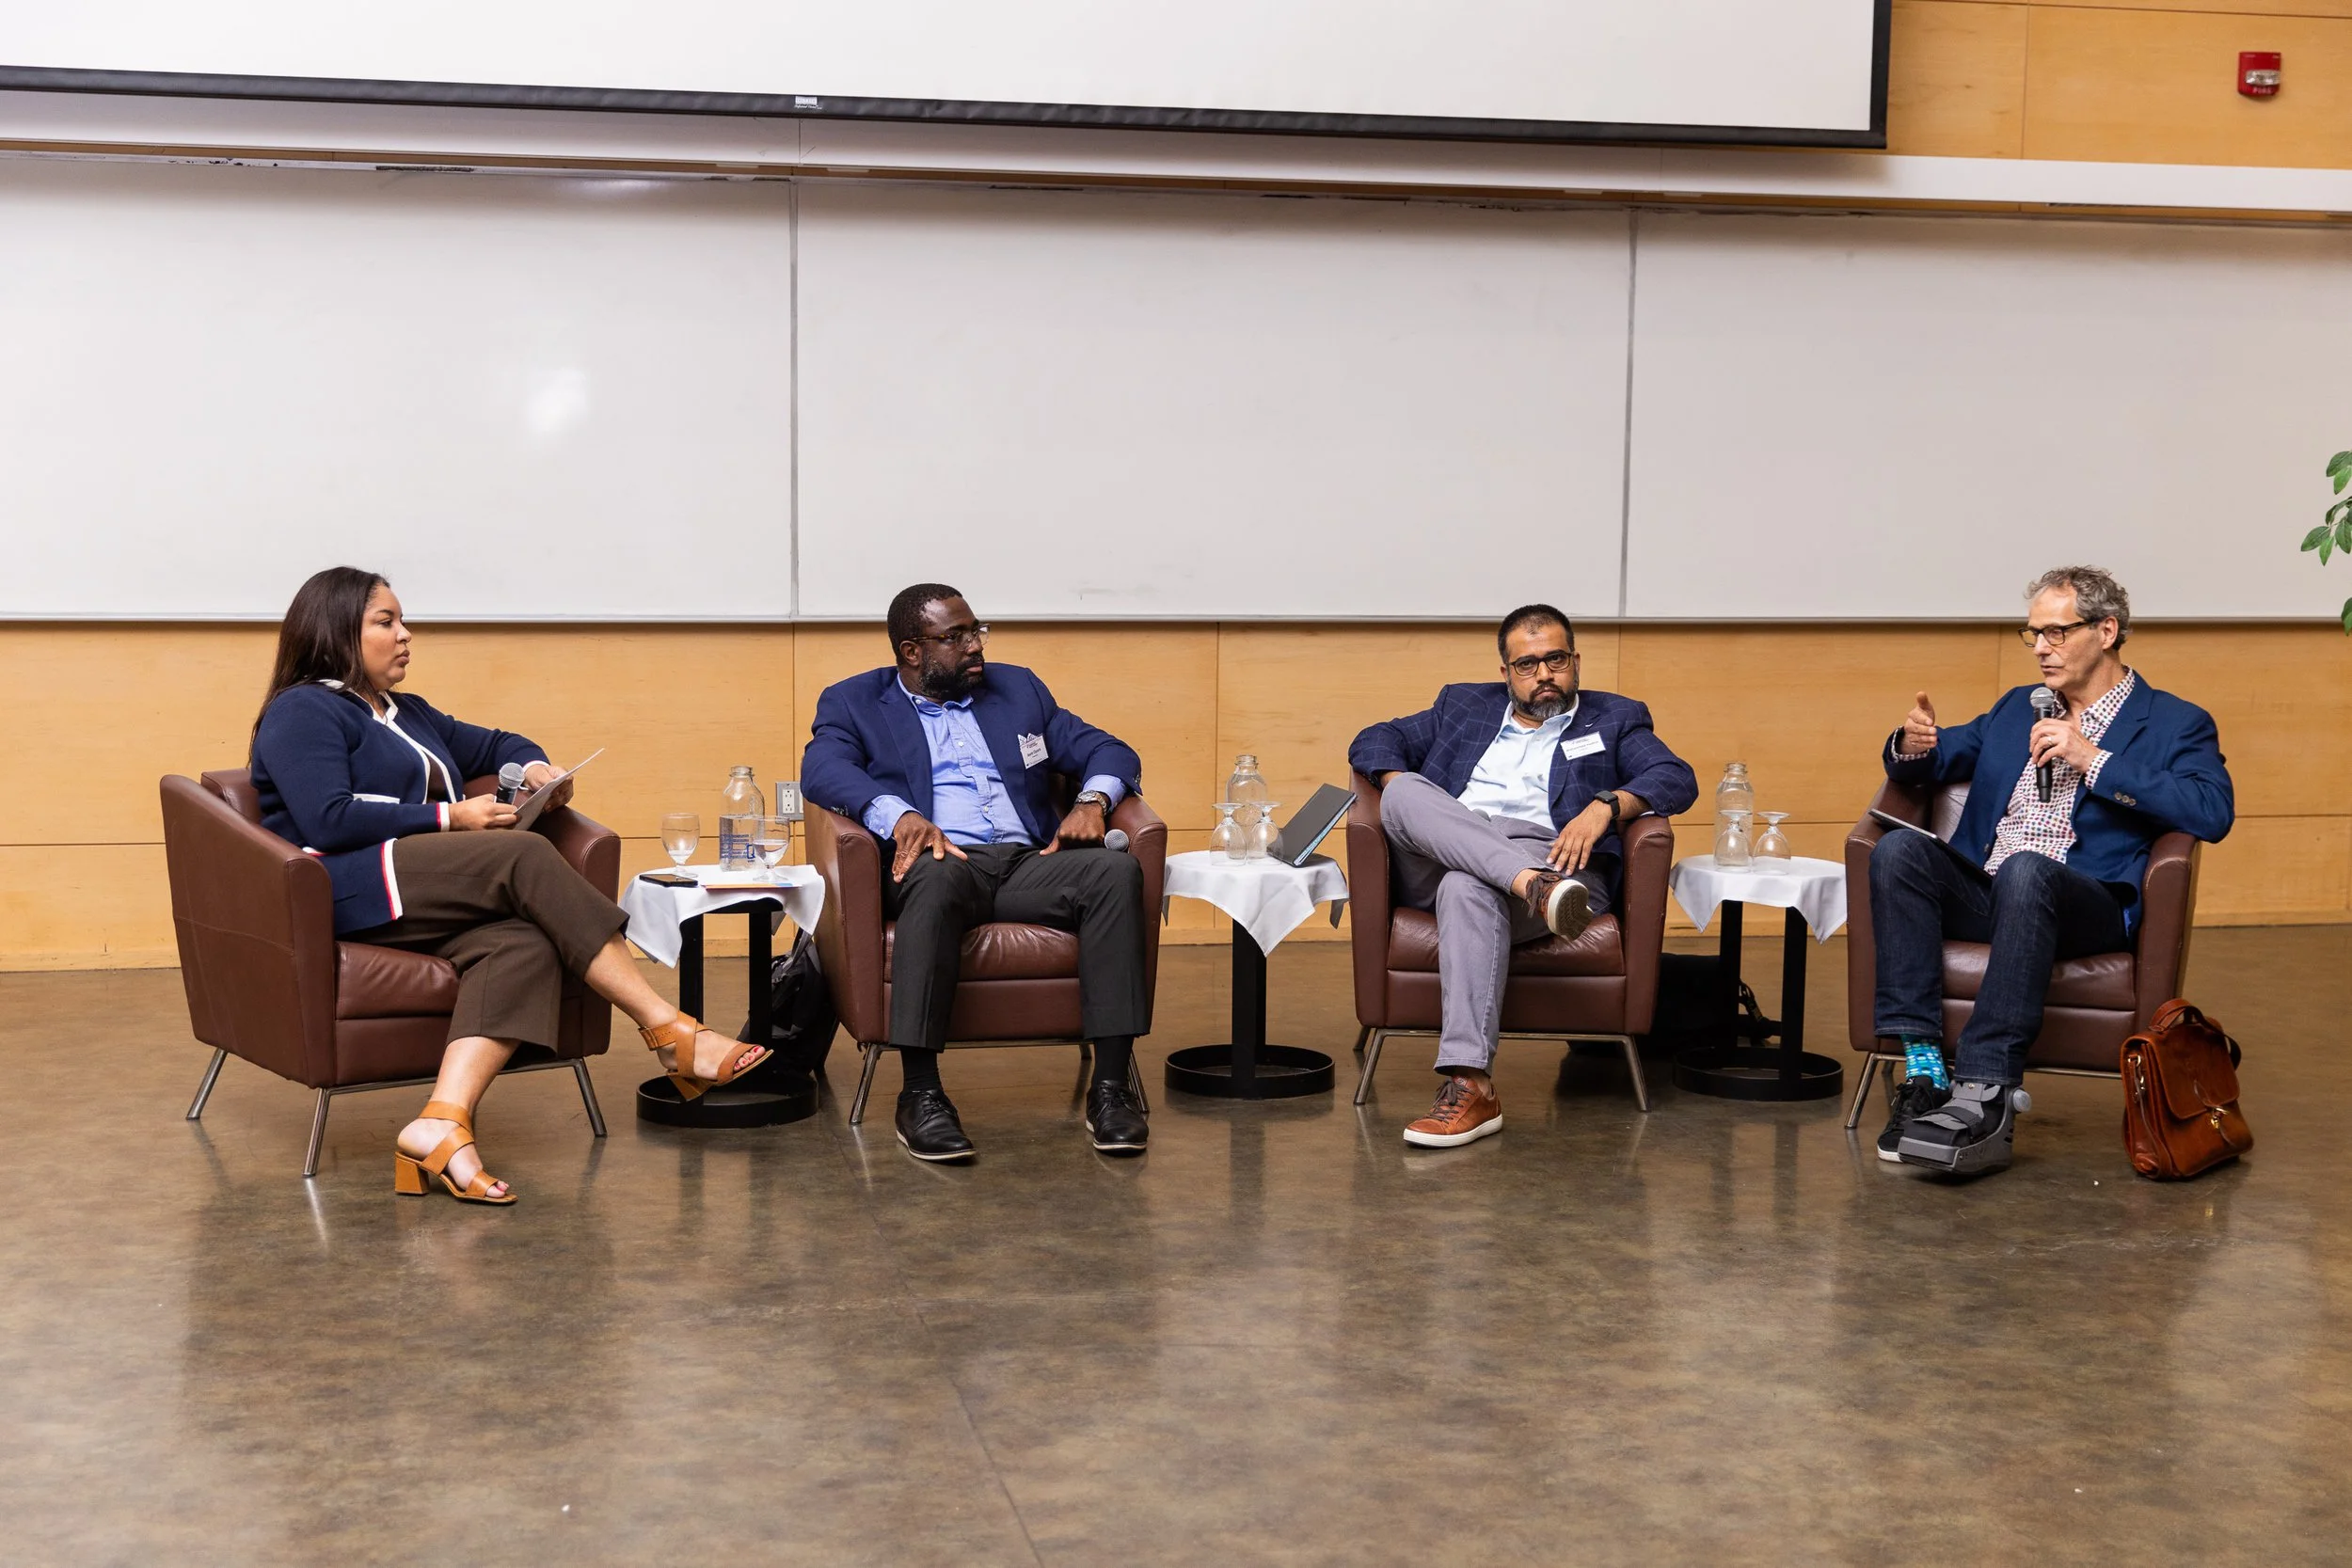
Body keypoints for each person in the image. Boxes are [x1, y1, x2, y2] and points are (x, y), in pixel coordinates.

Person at [248, 567, 770, 1205]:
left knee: (522, 943)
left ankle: (441, 1123)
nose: (406, 634)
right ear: (334, 632)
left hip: (420, 886)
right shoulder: (302, 709)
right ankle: (670, 1030)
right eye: (386, 622)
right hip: (347, 886)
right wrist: (451, 816)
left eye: (403, 620)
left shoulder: (407, 713)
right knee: (521, 855)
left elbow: (500, 743)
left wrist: (536, 767)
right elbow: (327, 818)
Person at [1870, 565, 2233, 1177]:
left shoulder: (2175, 722)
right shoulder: (2019, 708)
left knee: (2028, 870)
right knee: (1899, 851)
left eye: (2057, 632)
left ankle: (1985, 1086)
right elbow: (1935, 758)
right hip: (1993, 890)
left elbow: (2211, 810)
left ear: (2107, 631)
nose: (2041, 647)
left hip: (2083, 902)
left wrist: (2094, 759)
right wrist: (1913, 743)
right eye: (2034, 633)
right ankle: (1926, 1072)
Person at [802, 584, 1153, 1164]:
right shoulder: (855, 701)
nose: (975, 646)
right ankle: (921, 1095)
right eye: (956, 636)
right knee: (935, 880)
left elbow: (1108, 749)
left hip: (1029, 862)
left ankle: (1112, 1089)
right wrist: (900, 816)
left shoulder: (1017, 689)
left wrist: (1092, 801)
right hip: (943, 861)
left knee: (1114, 873)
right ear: (912, 651)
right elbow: (823, 770)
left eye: (977, 631)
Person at [1349, 604, 1698, 1148]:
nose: (1543, 674)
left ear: (1575, 661)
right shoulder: (1462, 705)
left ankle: (1471, 1085)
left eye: (1555, 660)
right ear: (1506, 672)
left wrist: (1607, 805)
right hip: (1451, 850)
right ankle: (1528, 883)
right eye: (1527, 665)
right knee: (1404, 791)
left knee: (1466, 886)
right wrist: (1397, 778)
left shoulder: (1614, 718)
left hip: (1555, 856)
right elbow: (1372, 740)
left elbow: (1675, 777)